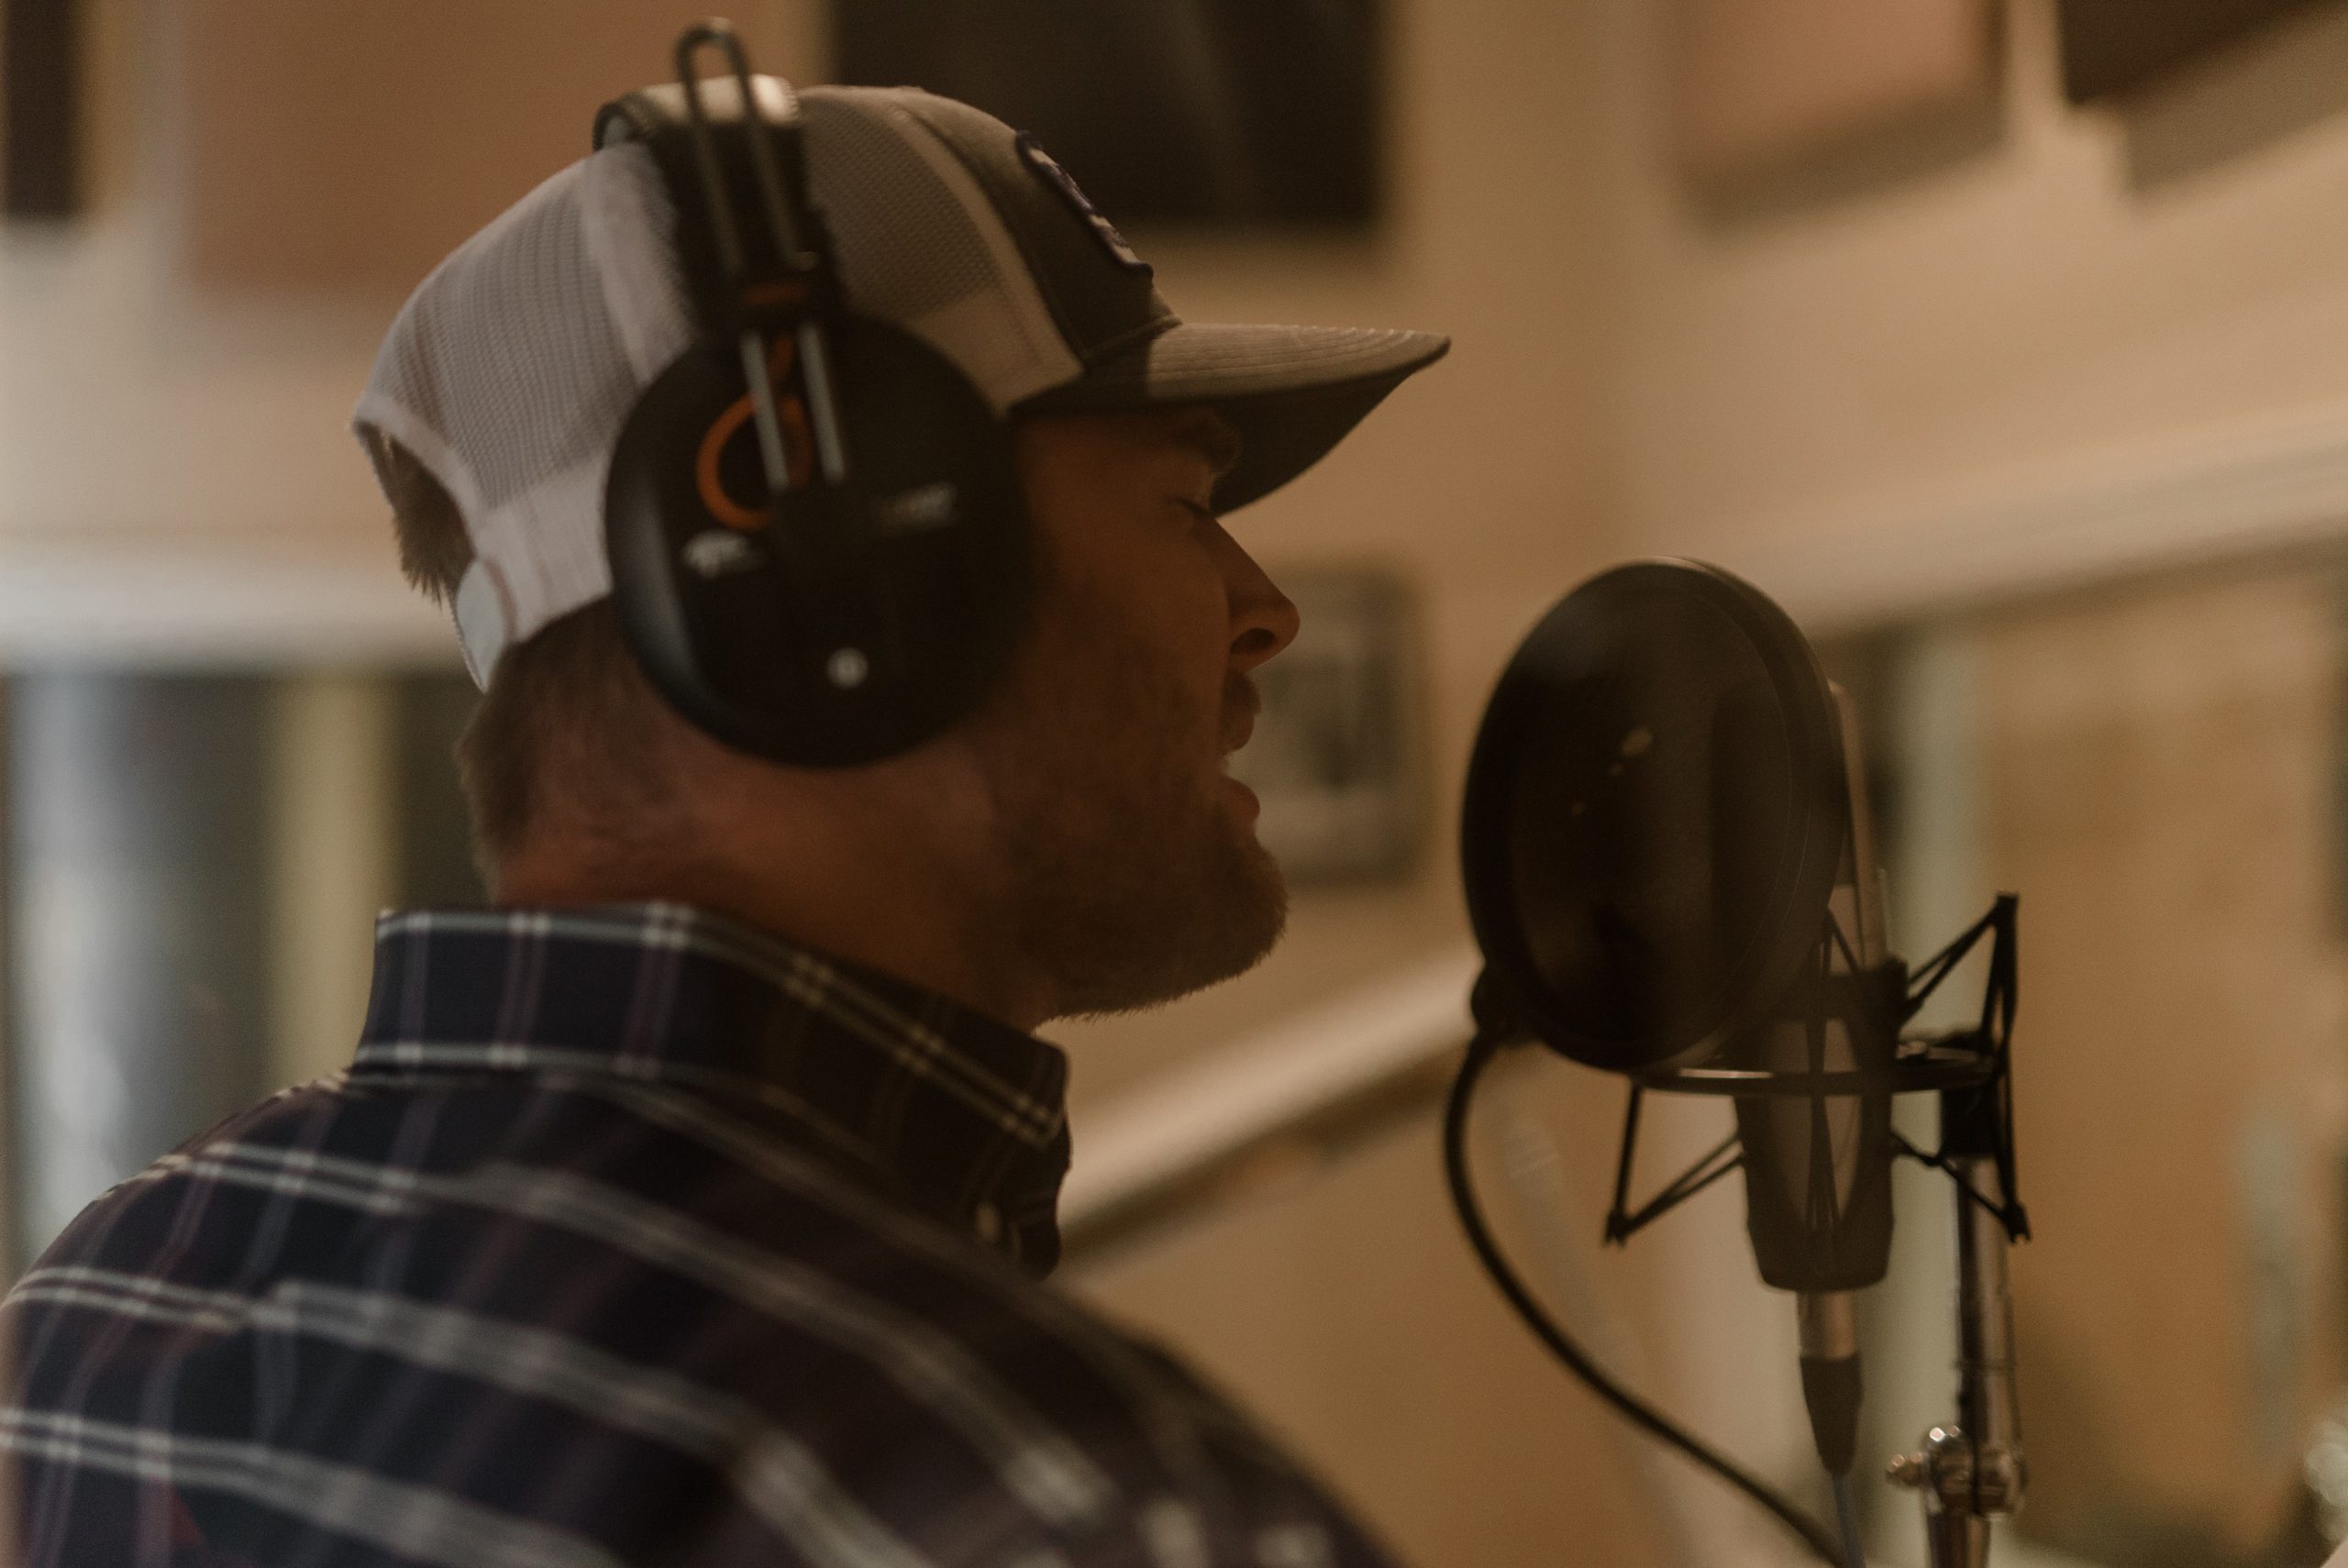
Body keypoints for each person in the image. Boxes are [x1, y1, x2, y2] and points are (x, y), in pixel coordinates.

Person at [0, 71, 1445, 1568]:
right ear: (843, 574)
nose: (1264, 610)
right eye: (1186, 505)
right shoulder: (1092, 1511)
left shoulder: (102, 1310)